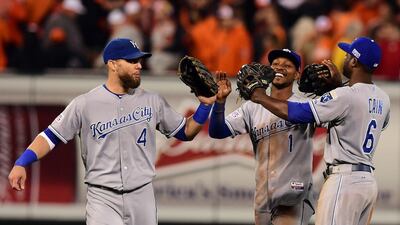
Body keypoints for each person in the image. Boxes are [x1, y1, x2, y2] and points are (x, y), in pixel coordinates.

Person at [8, 38, 216, 225]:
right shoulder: (85, 103)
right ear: (113, 64)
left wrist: (205, 106)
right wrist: (22, 162)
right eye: (132, 61)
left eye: (139, 61)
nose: (139, 66)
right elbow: (50, 136)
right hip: (103, 197)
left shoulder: (153, 100)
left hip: (142, 195)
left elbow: (185, 132)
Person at [247, 37, 390, 225]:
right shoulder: (383, 98)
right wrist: (337, 88)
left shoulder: (344, 95)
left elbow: (298, 113)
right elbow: (356, 111)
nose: (344, 59)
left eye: (348, 56)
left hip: (344, 181)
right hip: (368, 184)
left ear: (354, 62)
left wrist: (259, 97)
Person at [209, 49, 315, 225]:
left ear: (297, 75)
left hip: (294, 193)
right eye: (275, 64)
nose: (280, 68)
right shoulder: (252, 107)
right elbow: (217, 131)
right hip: (263, 196)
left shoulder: (305, 105)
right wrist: (220, 101)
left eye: (287, 65)